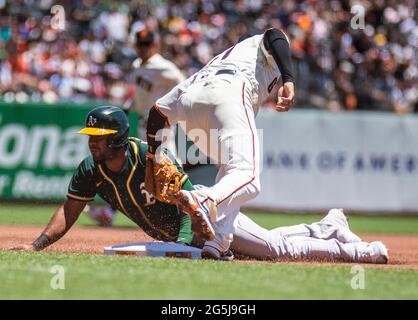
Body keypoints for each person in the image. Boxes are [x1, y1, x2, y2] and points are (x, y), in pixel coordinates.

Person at [10, 106, 389, 265]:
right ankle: (326, 227)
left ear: (119, 138)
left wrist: (196, 241)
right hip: (182, 232)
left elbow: (190, 200)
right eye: (91, 135)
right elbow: (70, 209)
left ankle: (363, 253)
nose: (92, 141)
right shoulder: (90, 170)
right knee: (261, 242)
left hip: (208, 214)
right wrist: (38, 245)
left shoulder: (151, 159)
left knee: (276, 249)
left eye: (99, 135)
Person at [145, 28, 296, 259]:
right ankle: (203, 199)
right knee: (249, 176)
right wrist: (289, 79)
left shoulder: (213, 65)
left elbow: (157, 113)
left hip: (190, 102)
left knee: (231, 172)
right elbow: (275, 35)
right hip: (230, 89)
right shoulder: (257, 47)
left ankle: (216, 243)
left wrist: (152, 160)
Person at [86, 27, 186, 228]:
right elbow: (140, 95)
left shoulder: (163, 67)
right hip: (142, 122)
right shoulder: (137, 65)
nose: (144, 48)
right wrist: (129, 106)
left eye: (147, 44)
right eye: (141, 44)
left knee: (166, 166)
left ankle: (187, 213)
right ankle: (110, 212)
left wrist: (173, 108)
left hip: (159, 125)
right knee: (140, 167)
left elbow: (184, 84)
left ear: (155, 45)